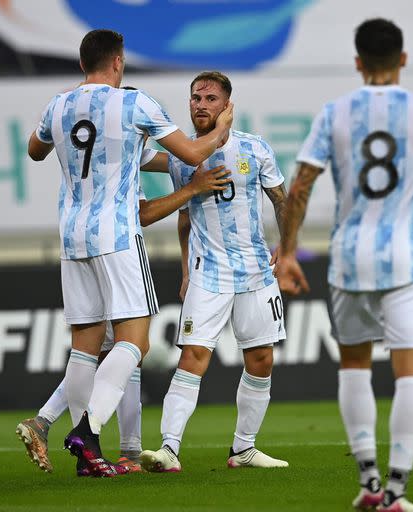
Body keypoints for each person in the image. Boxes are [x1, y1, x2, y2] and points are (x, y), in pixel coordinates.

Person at [276, 18, 413, 512]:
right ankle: (398, 492)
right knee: (412, 375)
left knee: (355, 367)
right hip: (407, 260)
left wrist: (287, 252)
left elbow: (299, 187)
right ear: (402, 59)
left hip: (348, 260)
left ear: (358, 63)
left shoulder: (335, 112)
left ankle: (368, 483)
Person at [27, 29, 233, 477]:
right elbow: (195, 153)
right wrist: (221, 129)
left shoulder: (58, 105)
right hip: (116, 235)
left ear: (84, 64)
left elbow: (35, 150)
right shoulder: (135, 103)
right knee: (134, 342)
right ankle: (88, 430)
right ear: (118, 62)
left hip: (72, 236)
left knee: (84, 347)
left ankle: (87, 458)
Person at [16, 151, 230, 475]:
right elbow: (145, 209)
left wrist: (193, 161)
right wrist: (193, 182)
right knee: (133, 346)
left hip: (78, 241)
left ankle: (57, 428)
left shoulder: (99, 142)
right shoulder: (123, 151)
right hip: (117, 247)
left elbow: (36, 145)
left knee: (99, 353)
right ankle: (110, 445)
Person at [139, 71, 289, 473]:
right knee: (193, 356)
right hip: (209, 273)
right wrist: (187, 268)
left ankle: (243, 448)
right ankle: (169, 449)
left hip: (257, 271)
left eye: (209, 98)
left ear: (227, 106)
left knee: (261, 359)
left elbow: (281, 200)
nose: (200, 104)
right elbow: (184, 219)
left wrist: (288, 248)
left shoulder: (255, 149)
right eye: (195, 98)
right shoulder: (180, 157)